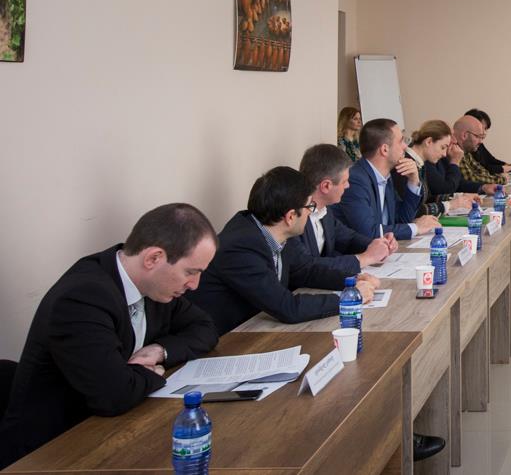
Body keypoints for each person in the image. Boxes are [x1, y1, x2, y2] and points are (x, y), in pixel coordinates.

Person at [0, 204, 220, 468]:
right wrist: (151, 372)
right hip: (52, 454)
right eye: (191, 272)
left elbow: (205, 327)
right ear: (153, 258)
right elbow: (115, 395)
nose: (194, 285)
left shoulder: (155, 287)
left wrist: (160, 350)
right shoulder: (82, 298)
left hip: (116, 432)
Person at [188, 166, 379, 335]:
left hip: (255, 330)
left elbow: (306, 270)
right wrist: (350, 299)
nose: (311, 212)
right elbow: (288, 307)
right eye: (310, 206)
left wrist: (351, 280)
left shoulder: (271, 231)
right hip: (225, 342)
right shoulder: (241, 247)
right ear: (290, 216)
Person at [288, 144, 396, 276]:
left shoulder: (325, 211)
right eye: (344, 181)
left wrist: (377, 244)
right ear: (326, 186)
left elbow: (348, 239)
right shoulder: (294, 217)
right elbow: (307, 267)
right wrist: (364, 258)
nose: (348, 186)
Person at [336, 118, 440, 240]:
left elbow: (401, 219)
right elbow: (369, 232)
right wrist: (416, 228)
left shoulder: (385, 177)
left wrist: (413, 182)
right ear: (384, 149)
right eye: (401, 141)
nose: (405, 146)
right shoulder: (355, 179)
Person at [407, 120, 481, 214]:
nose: (444, 154)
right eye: (443, 147)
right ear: (429, 142)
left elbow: (427, 199)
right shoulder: (407, 164)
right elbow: (411, 210)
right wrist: (449, 205)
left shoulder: (420, 163)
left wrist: (459, 197)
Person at [464, 108, 511, 176]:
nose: (484, 133)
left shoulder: (479, 144)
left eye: (486, 129)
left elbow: (491, 160)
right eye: (483, 128)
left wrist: (510, 165)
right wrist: (509, 168)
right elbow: (484, 169)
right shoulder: (468, 147)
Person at [455, 115, 511, 186]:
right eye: (478, 137)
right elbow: (471, 179)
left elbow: (481, 170)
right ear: (464, 135)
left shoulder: (466, 150)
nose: (481, 142)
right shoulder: (454, 149)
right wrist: (501, 179)